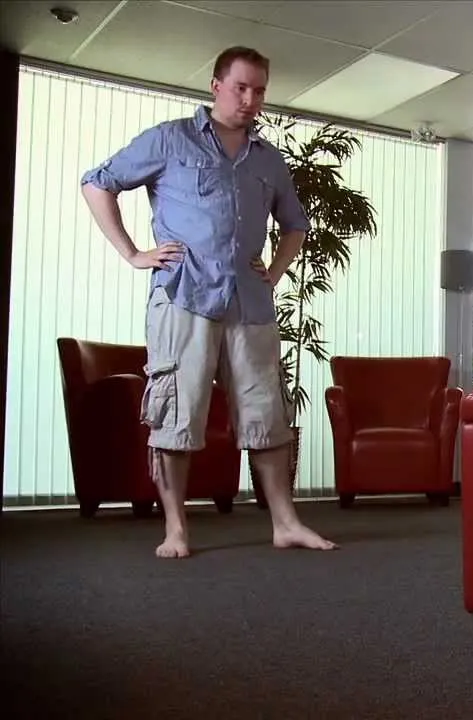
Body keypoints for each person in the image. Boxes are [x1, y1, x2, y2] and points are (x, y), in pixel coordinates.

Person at [80, 46, 337, 559]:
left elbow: (296, 225)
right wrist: (133, 253)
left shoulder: (268, 159)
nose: (250, 99)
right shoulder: (170, 140)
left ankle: (285, 523)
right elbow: (96, 183)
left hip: (250, 304)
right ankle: (175, 529)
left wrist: (277, 270)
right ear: (216, 85)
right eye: (241, 87)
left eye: (259, 90)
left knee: (267, 414)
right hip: (183, 298)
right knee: (177, 410)